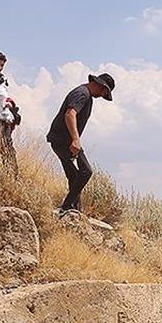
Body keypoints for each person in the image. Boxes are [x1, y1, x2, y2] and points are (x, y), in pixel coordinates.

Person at [46, 72, 115, 215]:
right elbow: (70, 114)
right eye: (104, 91)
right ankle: (67, 206)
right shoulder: (82, 93)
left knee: (74, 176)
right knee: (86, 172)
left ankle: (75, 210)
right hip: (64, 140)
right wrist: (76, 139)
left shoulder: (86, 95)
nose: (102, 95)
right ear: (99, 84)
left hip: (60, 139)